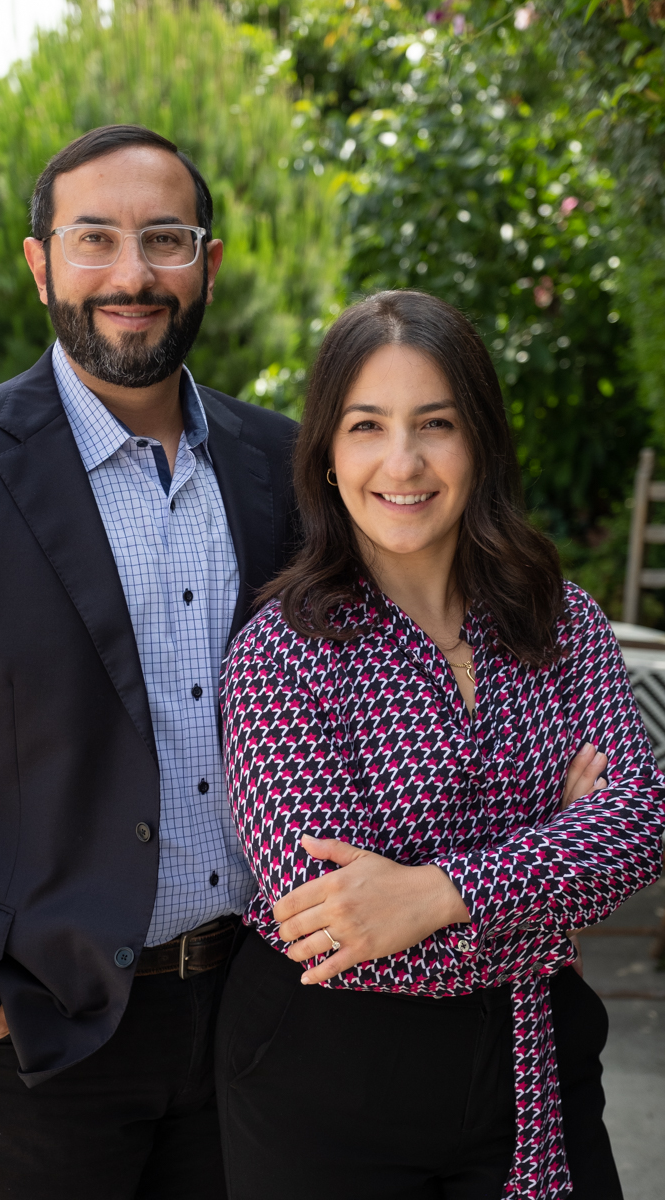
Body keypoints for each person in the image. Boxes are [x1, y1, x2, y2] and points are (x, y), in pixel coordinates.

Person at [0, 124, 298, 1199]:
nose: (132, 273)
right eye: (94, 237)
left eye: (166, 238)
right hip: (20, 1048)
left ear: (206, 262)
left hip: (255, 1022)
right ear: (39, 262)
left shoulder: (285, 464)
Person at [217, 290, 665, 1199]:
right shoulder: (280, 653)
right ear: (328, 454)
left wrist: (433, 892)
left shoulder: (561, 620)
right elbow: (337, 925)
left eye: (436, 423)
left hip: (537, 1060)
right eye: (367, 426)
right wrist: (557, 864)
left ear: (481, 441)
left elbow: (641, 827)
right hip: (331, 1080)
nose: (404, 461)